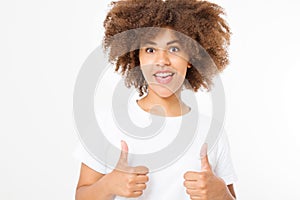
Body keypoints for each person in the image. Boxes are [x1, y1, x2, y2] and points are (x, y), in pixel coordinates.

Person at [74, 0, 237, 199]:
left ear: (191, 58)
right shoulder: (107, 123)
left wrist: (221, 195)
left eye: (174, 49)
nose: (162, 61)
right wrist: (109, 185)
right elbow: (81, 195)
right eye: (150, 50)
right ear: (137, 57)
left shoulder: (212, 131)